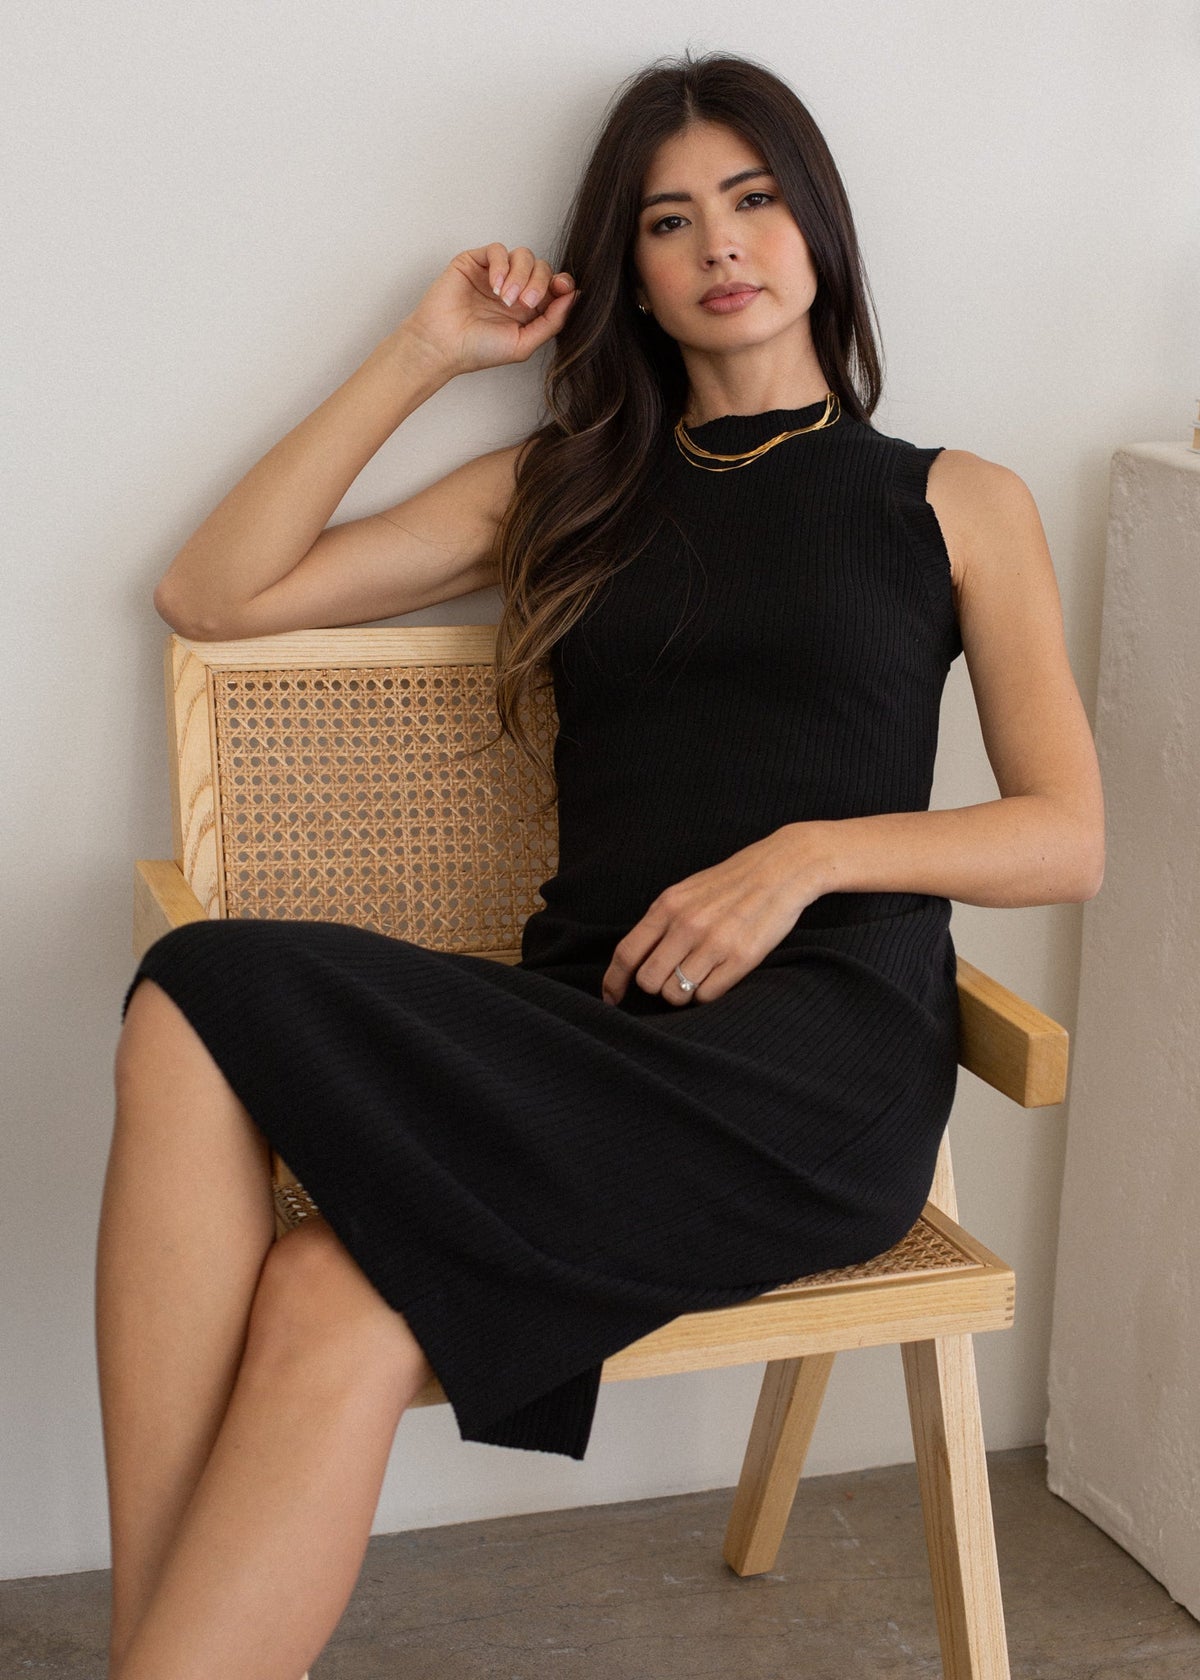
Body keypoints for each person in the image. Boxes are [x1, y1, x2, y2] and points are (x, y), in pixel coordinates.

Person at [99, 47, 1104, 1679]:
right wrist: (423, 352)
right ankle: (162, 1643)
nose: (722, 242)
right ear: (625, 273)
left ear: (818, 229)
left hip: (815, 1058)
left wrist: (804, 857)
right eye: (669, 219)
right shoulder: (564, 485)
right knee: (211, 1016)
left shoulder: (954, 500)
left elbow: (1068, 834)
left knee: (325, 1278)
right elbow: (214, 595)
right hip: (592, 1025)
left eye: (758, 199)